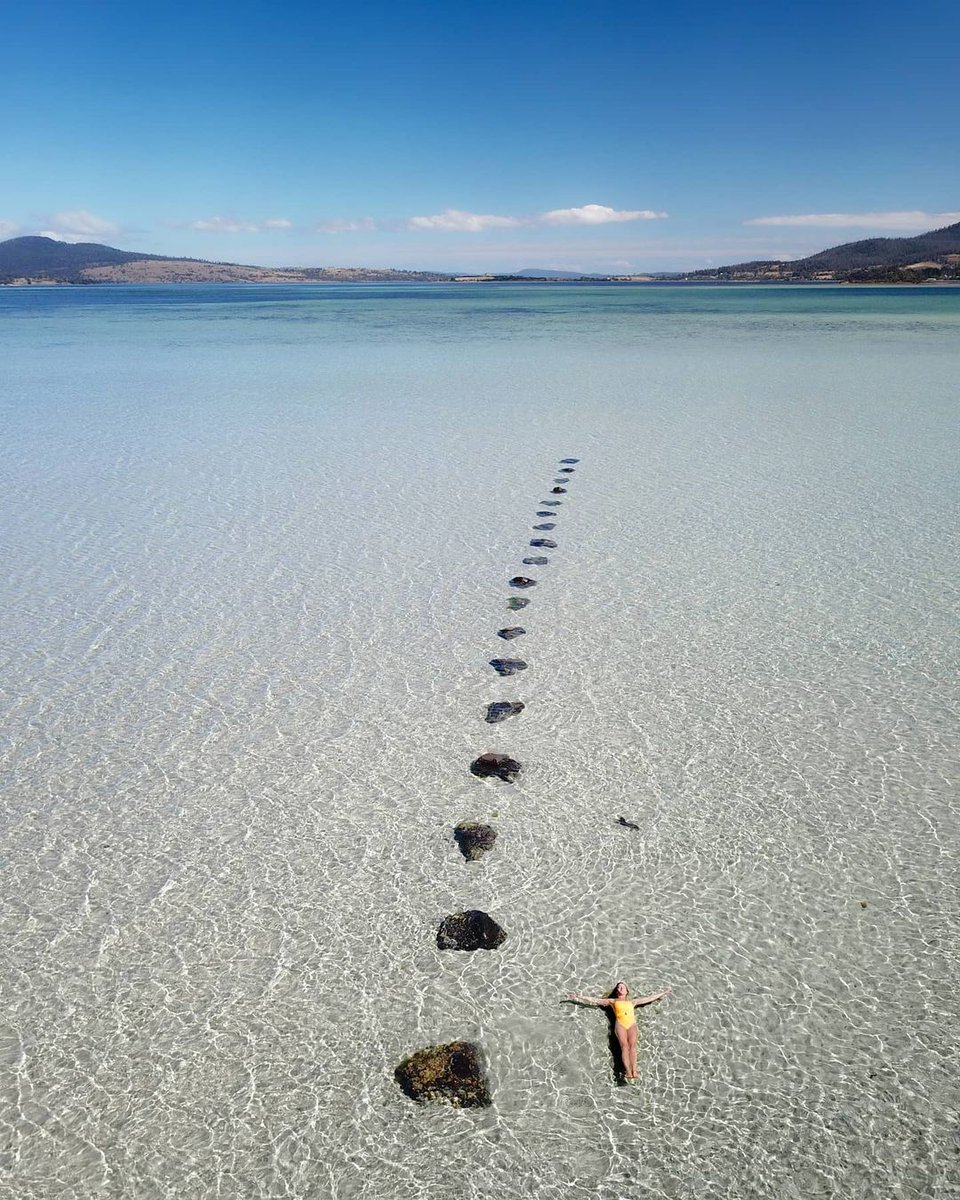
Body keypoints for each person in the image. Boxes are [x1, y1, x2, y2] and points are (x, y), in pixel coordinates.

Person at [564, 981, 671, 1080]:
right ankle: (628, 1072)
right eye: (618, 987)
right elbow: (596, 1000)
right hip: (620, 1025)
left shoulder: (633, 1001)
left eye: (622, 987)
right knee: (624, 1046)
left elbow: (648, 998)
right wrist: (578, 996)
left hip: (632, 1024)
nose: (619, 989)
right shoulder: (612, 1001)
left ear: (626, 991)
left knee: (633, 1047)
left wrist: (663, 993)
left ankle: (635, 1071)